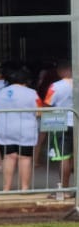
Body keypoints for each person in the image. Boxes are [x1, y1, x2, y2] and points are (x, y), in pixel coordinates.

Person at [0, 67, 41, 193]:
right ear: (26, 80)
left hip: (5, 128)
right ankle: (24, 188)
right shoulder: (31, 93)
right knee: (25, 158)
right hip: (25, 129)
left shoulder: (0, 93)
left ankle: (6, 188)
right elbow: (39, 111)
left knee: (9, 157)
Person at [44, 63, 73, 199]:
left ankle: (64, 189)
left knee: (63, 157)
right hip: (76, 122)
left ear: (61, 71)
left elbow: (47, 103)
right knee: (73, 157)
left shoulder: (55, 86)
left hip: (60, 121)